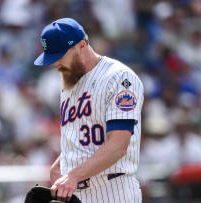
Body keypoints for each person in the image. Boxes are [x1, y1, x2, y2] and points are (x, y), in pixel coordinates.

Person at [34, 18, 144, 203]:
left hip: (113, 190)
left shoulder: (118, 78)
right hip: (78, 193)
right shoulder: (69, 83)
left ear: (82, 45)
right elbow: (85, 134)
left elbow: (118, 145)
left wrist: (73, 175)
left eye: (60, 56)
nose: (56, 64)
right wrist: (63, 162)